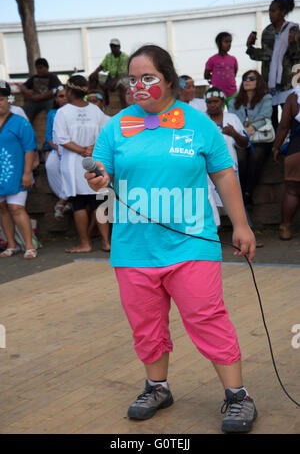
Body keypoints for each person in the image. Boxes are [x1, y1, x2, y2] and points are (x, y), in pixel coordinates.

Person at [86, 44, 257, 434]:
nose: (139, 85)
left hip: (192, 242)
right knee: (145, 324)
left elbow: (225, 175)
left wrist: (242, 226)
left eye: (148, 77)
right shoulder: (116, 126)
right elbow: (101, 173)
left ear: (169, 80)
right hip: (134, 248)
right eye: (133, 79)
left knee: (206, 316)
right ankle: (156, 387)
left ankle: (237, 396)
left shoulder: (198, 125)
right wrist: (97, 177)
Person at [53, 75, 111, 253]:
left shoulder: (62, 112)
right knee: (98, 202)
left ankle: (85, 243)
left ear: (69, 91)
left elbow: (61, 139)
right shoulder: (95, 110)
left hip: (74, 163)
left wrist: (81, 150)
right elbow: (105, 133)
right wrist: (91, 149)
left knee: (78, 203)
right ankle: (106, 242)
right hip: (93, 162)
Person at [246, 0, 300, 131]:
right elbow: (266, 55)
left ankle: (293, 144)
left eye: (273, 11)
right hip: (269, 83)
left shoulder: (293, 29)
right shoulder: (267, 32)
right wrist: (250, 47)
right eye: (269, 11)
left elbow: (297, 56)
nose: (270, 14)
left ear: (283, 12)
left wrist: (293, 45)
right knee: (272, 117)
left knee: (291, 115)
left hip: (288, 82)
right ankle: (274, 145)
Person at [0, 81, 38, 259]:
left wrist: (27, 173)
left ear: (9, 100)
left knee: (16, 208)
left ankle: (29, 246)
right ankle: (11, 245)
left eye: (1, 99)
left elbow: (29, 148)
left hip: (17, 174)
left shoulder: (20, 123)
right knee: (2, 208)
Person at [228, 70, 273, 207]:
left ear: (258, 81)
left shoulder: (266, 98)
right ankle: (240, 192)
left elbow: (266, 116)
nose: (247, 80)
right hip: (242, 137)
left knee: (256, 155)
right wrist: (244, 131)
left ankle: (248, 193)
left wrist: (251, 128)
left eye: (251, 78)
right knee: (240, 157)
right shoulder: (234, 101)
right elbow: (233, 119)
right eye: (244, 78)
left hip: (260, 137)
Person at [273, 83, 300, 240]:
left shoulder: (293, 98)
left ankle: (285, 227)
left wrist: (276, 147)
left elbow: (283, 126)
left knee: (292, 192)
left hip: (296, 150)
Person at [43, 85, 71, 220]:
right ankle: (66, 196)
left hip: (72, 149)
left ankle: (62, 202)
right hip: (56, 148)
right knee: (50, 166)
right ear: (56, 99)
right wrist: (57, 149)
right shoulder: (52, 113)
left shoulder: (74, 112)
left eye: (66, 95)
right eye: (61, 96)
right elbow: (49, 136)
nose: (64, 98)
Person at [88, 38, 129, 108]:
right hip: (111, 77)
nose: (113, 48)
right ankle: (90, 99)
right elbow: (102, 66)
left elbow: (123, 74)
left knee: (121, 87)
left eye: (115, 46)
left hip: (122, 77)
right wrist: (94, 73)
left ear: (119, 47)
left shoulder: (125, 57)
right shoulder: (109, 56)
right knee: (92, 78)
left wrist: (114, 82)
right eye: (112, 46)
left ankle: (124, 108)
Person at [21, 58, 62, 123]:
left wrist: (41, 97)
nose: (38, 70)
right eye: (37, 68)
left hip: (49, 100)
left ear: (47, 68)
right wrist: (26, 90)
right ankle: (25, 128)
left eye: (41, 68)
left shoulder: (52, 77)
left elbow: (58, 88)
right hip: (35, 101)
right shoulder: (34, 77)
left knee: (53, 112)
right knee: (25, 112)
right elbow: (23, 86)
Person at [204, 32, 238, 107]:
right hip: (217, 93)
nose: (229, 44)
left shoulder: (233, 59)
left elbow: (234, 73)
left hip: (232, 93)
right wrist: (213, 79)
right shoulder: (212, 59)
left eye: (230, 42)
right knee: (217, 114)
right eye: (226, 42)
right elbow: (206, 75)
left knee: (234, 112)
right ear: (218, 43)